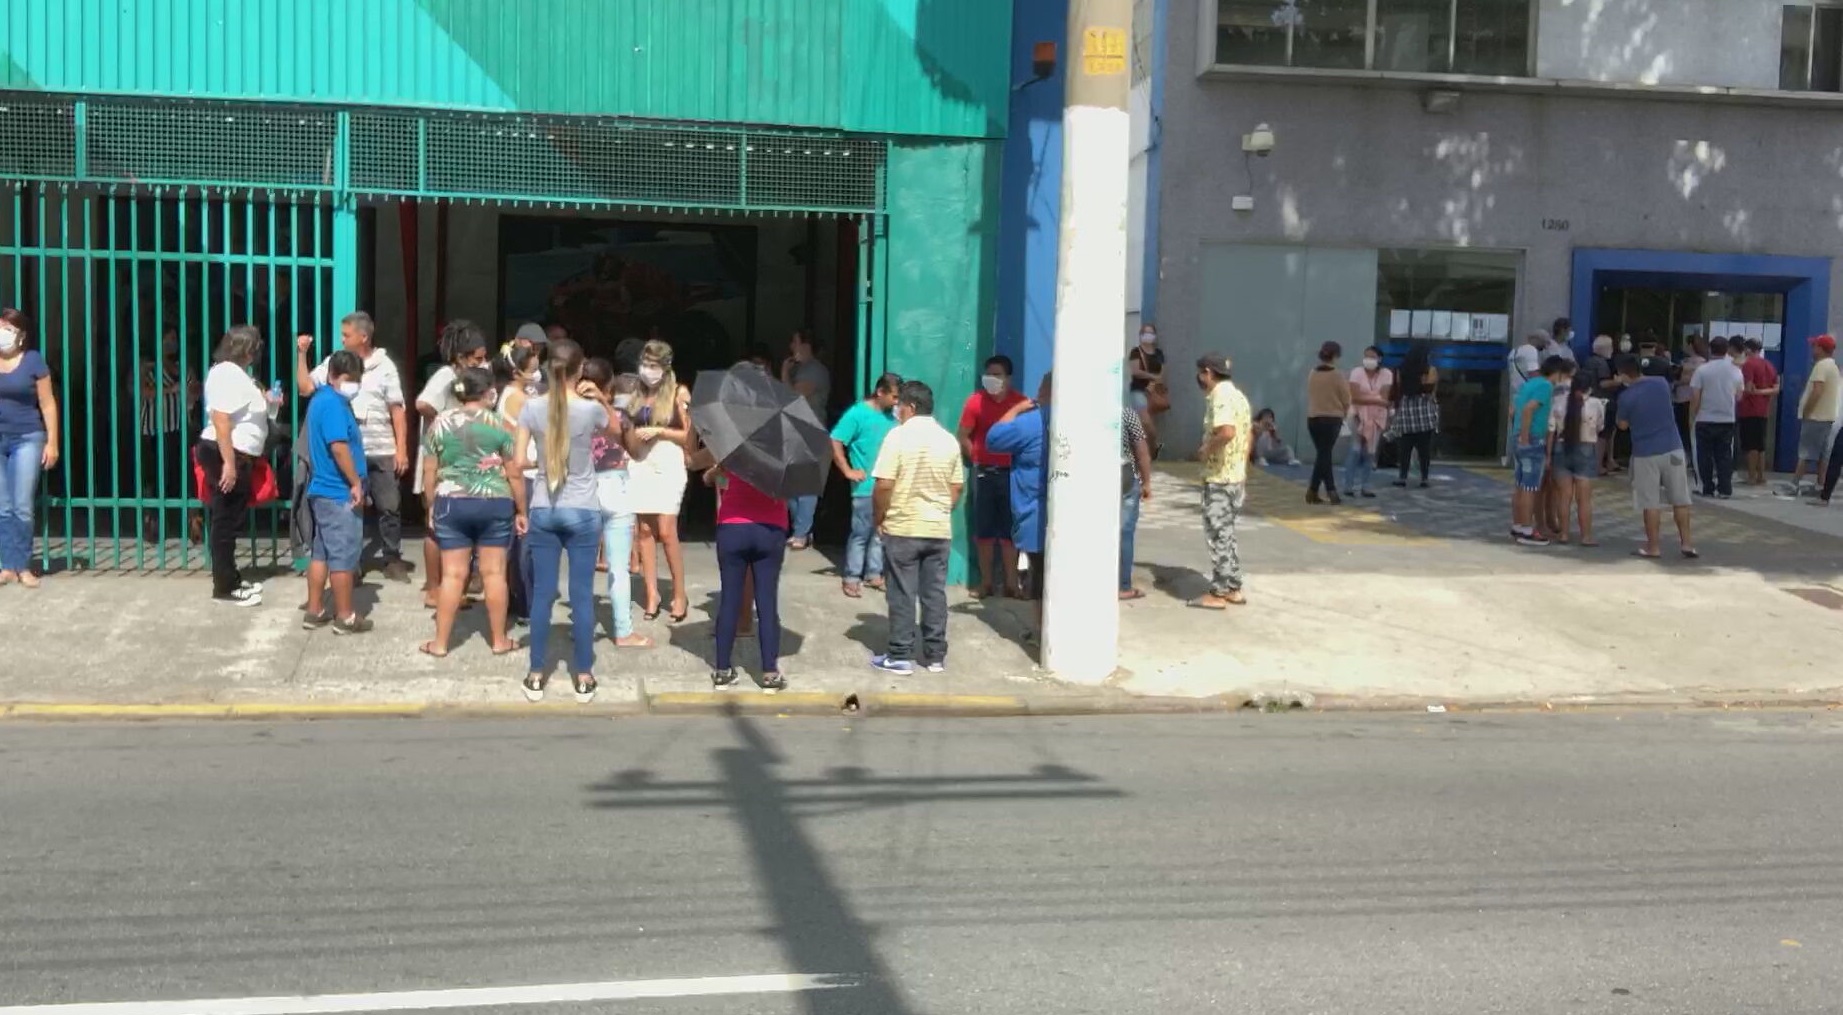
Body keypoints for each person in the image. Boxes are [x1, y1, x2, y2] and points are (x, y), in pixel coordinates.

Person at [513, 339, 609, 704]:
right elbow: (616, 429)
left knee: (542, 596)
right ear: (580, 369)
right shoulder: (588, 411)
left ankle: (536, 673)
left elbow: (519, 460)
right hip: (583, 509)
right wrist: (599, 397)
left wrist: (545, 464)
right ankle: (583, 675)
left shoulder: (531, 408)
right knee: (582, 596)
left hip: (544, 507)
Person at [296, 312, 410, 582]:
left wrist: (402, 448)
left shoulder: (385, 366)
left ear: (363, 337)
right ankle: (351, 563)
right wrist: (301, 354)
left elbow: (397, 409)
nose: (342, 339)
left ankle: (391, 558)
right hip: (348, 451)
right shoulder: (336, 363)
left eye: (346, 335)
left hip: (381, 447)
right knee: (350, 508)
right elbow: (305, 388)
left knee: (389, 506)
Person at [418, 366, 524, 657]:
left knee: (452, 575)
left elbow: (429, 470)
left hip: (451, 501)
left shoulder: (439, 423)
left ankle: (440, 643)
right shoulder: (500, 424)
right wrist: (521, 508)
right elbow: (513, 472)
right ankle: (499, 640)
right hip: (494, 502)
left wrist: (430, 505)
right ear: (488, 391)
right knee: (494, 573)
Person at [871, 380, 964, 675]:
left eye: (900, 405)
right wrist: (940, 509)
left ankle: (899, 655)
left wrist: (879, 517)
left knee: (901, 593)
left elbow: (884, 484)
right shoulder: (948, 440)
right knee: (934, 592)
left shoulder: (897, 438)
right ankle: (935, 655)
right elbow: (957, 486)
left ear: (910, 407)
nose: (896, 409)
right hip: (938, 530)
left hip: (903, 527)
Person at [702, 392, 792, 691]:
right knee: (766, 602)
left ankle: (722, 670)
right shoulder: (782, 451)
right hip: (770, 530)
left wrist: (715, 473)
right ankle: (769, 673)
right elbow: (786, 493)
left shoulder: (731, 445)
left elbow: (711, 477)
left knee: (729, 599)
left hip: (733, 528)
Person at [412, 319, 490, 608]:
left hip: (461, 463)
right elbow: (423, 404)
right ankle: (434, 589)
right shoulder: (446, 376)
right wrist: (446, 424)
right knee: (434, 525)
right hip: (439, 461)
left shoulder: (471, 377)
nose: (483, 363)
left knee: (455, 527)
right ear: (461, 358)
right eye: (478, 358)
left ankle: (452, 586)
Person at [196, 326, 276, 605]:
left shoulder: (237, 375)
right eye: (255, 349)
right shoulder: (227, 373)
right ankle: (226, 585)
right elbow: (221, 419)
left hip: (236, 454)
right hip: (229, 454)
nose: (256, 354)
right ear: (246, 350)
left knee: (228, 520)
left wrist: (268, 403)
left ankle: (229, 579)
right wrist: (229, 464)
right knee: (225, 522)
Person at [300, 350, 373, 634]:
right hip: (338, 491)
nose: (353, 384)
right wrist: (355, 482)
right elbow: (339, 448)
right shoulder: (332, 404)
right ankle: (346, 616)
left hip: (325, 490)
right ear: (332, 376)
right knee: (343, 557)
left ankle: (314, 609)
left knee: (321, 553)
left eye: (356, 379)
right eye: (348, 378)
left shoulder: (324, 401)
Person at [582, 362, 651, 649]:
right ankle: (623, 631)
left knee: (582, 566)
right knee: (619, 567)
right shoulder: (620, 414)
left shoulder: (569, 413)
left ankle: (582, 629)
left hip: (582, 489)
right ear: (609, 386)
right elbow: (635, 452)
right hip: (616, 487)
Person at [628, 339, 693, 623]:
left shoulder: (679, 393)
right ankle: (651, 593)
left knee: (667, 531)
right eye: (645, 364)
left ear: (665, 367)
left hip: (668, 460)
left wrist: (660, 431)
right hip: (641, 461)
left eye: (653, 365)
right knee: (643, 530)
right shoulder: (637, 393)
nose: (647, 370)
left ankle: (679, 593)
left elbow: (689, 437)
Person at [985, 374, 1050, 639]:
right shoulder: (1085, 421)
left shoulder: (1030, 421)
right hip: (1074, 515)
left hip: (1035, 512)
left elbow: (994, 439)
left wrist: (1016, 408)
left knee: (1039, 575)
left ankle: (1041, 631)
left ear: (1044, 391)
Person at [1614, 354, 1697, 558]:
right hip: (1674, 449)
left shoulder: (1626, 397)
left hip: (1645, 453)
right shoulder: (1660, 383)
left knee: (1650, 502)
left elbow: (1622, 425)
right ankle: (1686, 544)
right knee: (1680, 499)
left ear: (1623, 374)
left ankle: (1653, 547)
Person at [957, 354, 1026, 598]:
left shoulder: (1021, 403)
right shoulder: (975, 402)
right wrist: (975, 457)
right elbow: (963, 434)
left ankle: (1011, 584)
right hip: (984, 473)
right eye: (989, 374)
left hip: (1012, 475)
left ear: (1008, 378)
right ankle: (986, 583)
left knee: (1010, 532)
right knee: (984, 530)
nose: (991, 379)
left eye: (997, 374)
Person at [0, 308, 59, 588]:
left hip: (27, 437)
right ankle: (6, 565)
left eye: (8, 328)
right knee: (2, 506)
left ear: (21, 334)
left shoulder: (33, 360)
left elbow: (47, 403)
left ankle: (23, 566)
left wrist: (52, 442)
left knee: (22, 505)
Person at [829, 372, 901, 598]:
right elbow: (835, 440)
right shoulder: (857, 414)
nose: (896, 402)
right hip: (865, 488)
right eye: (894, 397)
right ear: (880, 392)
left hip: (888, 486)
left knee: (880, 534)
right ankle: (852, 577)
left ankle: (874, 573)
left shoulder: (894, 417)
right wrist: (847, 470)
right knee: (861, 533)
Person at [1190, 354, 1252, 609]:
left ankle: (1219, 592)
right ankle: (1234, 587)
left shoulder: (1221, 397)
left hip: (1220, 478)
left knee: (1218, 535)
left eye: (1201, 374)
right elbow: (1248, 436)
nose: (1200, 379)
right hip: (1235, 476)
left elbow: (1227, 432)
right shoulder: (1239, 397)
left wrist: (1206, 449)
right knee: (1227, 534)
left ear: (1208, 372)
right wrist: (1243, 469)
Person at [136, 325, 200, 545]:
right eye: (167, 339)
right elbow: (140, 391)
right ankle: (151, 523)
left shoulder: (184, 368)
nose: (171, 344)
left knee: (183, 476)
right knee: (153, 478)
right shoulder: (147, 367)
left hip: (179, 426)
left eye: (174, 339)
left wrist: (191, 392)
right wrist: (170, 391)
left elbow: (195, 391)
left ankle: (193, 522)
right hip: (152, 429)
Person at [496, 341, 543, 625]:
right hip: (525, 474)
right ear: (518, 371)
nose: (537, 373)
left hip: (522, 473)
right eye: (534, 368)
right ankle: (527, 603)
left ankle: (519, 599)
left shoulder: (511, 394)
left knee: (518, 544)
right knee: (527, 543)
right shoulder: (519, 399)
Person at [1510, 355, 1572, 547]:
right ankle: (1527, 530)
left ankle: (1519, 524)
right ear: (1559, 373)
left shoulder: (1529, 384)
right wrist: (1526, 436)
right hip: (1532, 439)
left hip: (1518, 438)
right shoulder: (1545, 387)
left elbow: (1513, 410)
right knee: (1530, 487)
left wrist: (1518, 433)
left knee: (1521, 485)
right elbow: (1529, 409)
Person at [780, 329, 831, 551]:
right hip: (795, 431)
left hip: (812, 431)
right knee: (791, 486)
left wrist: (783, 373)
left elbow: (793, 397)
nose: (792, 347)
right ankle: (803, 530)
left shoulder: (815, 370)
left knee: (806, 485)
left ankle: (801, 532)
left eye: (795, 342)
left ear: (805, 345)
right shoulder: (800, 370)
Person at [1688, 337, 1744, 499]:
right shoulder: (1736, 370)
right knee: (1724, 455)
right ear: (1727, 350)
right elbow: (1739, 396)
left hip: (1704, 418)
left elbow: (1695, 397)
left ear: (1711, 350)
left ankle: (1707, 487)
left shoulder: (1702, 370)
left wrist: (1693, 416)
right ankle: (1725, 489)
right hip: (1727, 419)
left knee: (1704, 455)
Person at [1552, 373, 1604, 547]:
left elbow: (1551, 427)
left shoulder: (1559, 401)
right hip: (1586, 448)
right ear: (1589, 387)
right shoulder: (1596, 404)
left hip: (1561, 447)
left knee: (1564, 496)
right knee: (1584, 499)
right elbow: (1600, 426)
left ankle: (1564, 534)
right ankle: (1586, 536)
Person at [1786, 334, 1840, 499]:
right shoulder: (1833, 366)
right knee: (1823, 453)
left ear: (1821, 349)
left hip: (1816, 416)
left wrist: (1807, 411)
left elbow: (1817, 391)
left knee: (1806, 452)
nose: (1812, 349)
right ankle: (1821, 485)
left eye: (1814, 346)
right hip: (1827, 416)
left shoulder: (1821, 366)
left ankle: (1794, 484)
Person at [1341, 346, 1392, 498]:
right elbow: (1355, 397)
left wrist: (1373, 400)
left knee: (1370, 452)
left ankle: (1366, 486)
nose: (1368, 360)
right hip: (1357, 415)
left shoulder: (1387, 374)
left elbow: (1385, 397)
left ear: (1379, 359)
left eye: (1372, 356)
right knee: (1355, 450)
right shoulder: (1356, 372)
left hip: (1376, 417)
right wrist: (1376, 399)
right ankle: (1348, 486)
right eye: (1366, 356)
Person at [1304, 341, 1349, 505]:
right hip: (1332, 418)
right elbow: (1346, 398)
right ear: (1336, 356)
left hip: (1313, 418)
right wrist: (1345, 411)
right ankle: (1331, 491)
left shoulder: (1312, 373)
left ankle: (1313, 491)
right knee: (1325, 454)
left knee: (1323, 454)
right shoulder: (1337, 375)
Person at [1118, 399, 1154, 600]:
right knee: (1124, 531)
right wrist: (1146, 482)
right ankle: (1122, 586)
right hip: (1123, 473)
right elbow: (1141, 450)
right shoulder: (1126, 412)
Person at [1390, 344, 1439, 488]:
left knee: (1405, 447)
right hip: (1424, 411)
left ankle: (1402, 477)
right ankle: (1424, 478)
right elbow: (1430, 390)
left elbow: (1400, 388)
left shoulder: (1401, 370)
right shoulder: (1430, 370)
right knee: (1424, 448)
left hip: (1407, 412)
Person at [1739, 337, 1780, 486]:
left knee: (1751, 446)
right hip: (1763, 410)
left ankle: (1751, 476)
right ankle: (1761, 476)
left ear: (1748, 349)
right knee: (1760, 445)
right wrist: (1763, 392)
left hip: (1749, 409)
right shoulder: (1769, 365)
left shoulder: (1748, 364)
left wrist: (1754, 392)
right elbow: (1776, 388)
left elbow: (1748, 388)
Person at [1580, 335, 1619, 475]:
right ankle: (1598, 466)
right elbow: (1603, 383)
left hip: (1590, 400)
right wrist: (1619, 381)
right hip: (1603, 401)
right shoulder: (1602, 364)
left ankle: (1603, 461)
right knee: (1603, 434)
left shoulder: (1588, 361)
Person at [1127, 323, 1168, 454]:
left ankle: (1148, 451)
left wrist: (1154, 382)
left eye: (1151, 333)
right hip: (1138, 391)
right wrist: (1152, 376)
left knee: (1147, 424)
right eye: (1145, 332)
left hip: (1154, 392)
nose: (1148, 336)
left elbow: (1162, 373)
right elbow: (1135, 371)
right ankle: (1151, 448)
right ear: (1140, 335)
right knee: (1145, 422)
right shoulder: (1135, 352)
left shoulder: (1158, 353)